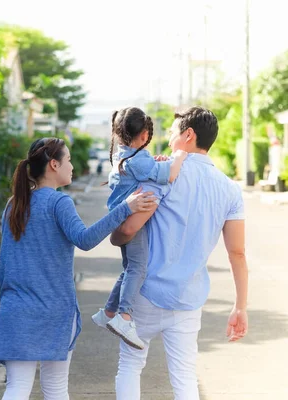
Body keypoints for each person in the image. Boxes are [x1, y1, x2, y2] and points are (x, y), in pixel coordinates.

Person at [0, 137, 156, 400]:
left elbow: (4, 266)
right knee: (55, 389)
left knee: (16, 388)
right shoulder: (59, 203)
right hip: (54, 311)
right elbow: (86, 239)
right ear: (54, 165)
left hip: (16, 310)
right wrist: (125, 208)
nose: (72, 166)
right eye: (68, 160)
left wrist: (10, 301)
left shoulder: (13, 205)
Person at [110, 107, 249, 400]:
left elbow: (129, 229)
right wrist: (240, 307)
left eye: (174, 132)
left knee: (131, 365)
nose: (169, 138)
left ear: (189, 135)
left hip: (145, 293)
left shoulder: (163, 177)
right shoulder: (230, 190)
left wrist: (115, 236)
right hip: (189, 299)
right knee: (185, 378)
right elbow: (237, 252)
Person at [91, 107, 187, 350]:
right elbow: (170, 175)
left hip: (120, 216)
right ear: (144, 135)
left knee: (129, 268)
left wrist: (155, 162)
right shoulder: (139, 159)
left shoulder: (122, 154)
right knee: (138, 268)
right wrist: (180, 155)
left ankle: (109, 312)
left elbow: (145, 170)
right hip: (131, 218)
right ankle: (124, 316)